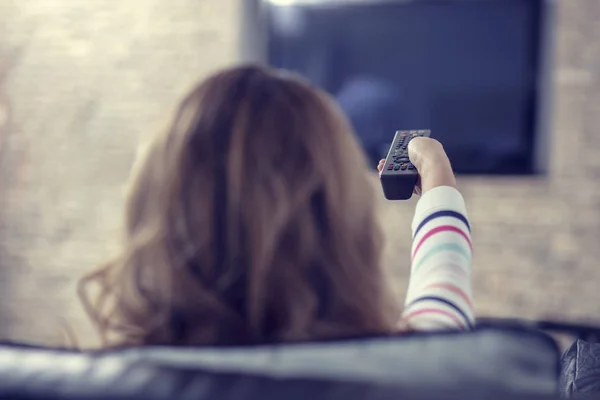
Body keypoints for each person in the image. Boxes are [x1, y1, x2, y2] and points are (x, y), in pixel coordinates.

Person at [78, 65, 473, 348]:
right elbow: (441, 298)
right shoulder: (419, 375)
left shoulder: (92, 384)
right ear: (346, 229)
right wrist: (438, 180)